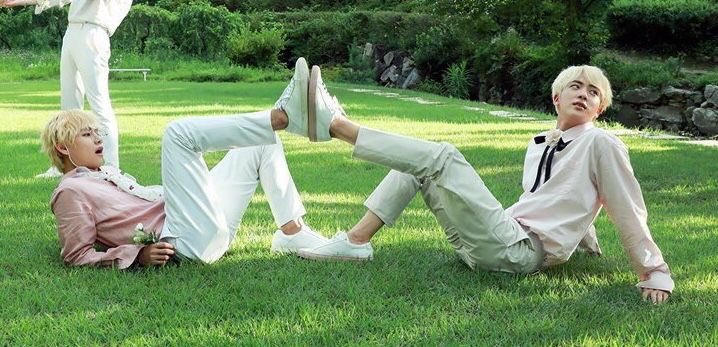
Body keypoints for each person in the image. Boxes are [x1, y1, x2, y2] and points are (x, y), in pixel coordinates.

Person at [290, 64, 673, 304]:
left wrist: (652, 271)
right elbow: (555, 196)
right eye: (576, 86)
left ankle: (336, 125)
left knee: (443, 156)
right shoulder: (539, 143)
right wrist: (587, 240)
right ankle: (355, 242)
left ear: (600, 109)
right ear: (557, 97)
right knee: (419, 162)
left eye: (594, 93)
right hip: (490, 243)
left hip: (518, 252)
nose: (584, 94)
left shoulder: (602, 142)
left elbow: (625, 205)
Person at [41, 58, 328, 268]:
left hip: (201, 227)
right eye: (86, 134)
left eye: (96, 132)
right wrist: (137, 255)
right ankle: (282, 117)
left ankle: (292, 232)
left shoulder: (105, 174)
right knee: (177, 134)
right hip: (181, 241)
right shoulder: (71, 192)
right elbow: (77, 255)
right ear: (63, 147)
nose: (97, 139)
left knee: (262, 142)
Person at [1, 0, 131, 177]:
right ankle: (63, 166)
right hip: (73, 31)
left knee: (99, 104)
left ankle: (111, 167)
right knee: (69, 106)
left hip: (94, 31)